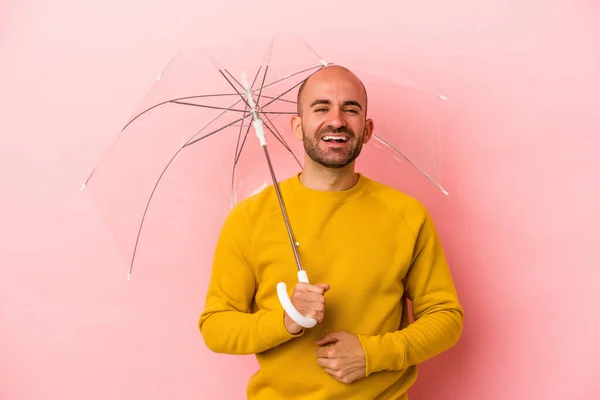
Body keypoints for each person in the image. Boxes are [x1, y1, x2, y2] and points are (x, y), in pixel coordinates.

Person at [198, 65, 464, 399]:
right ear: (298, 126)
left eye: (350, 109)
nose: (336, 120)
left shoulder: (407, 216)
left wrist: (373, 355)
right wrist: (286, 319)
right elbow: (216, 327)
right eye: (321, 107)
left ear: (366, 130)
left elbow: (445, 317)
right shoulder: (249, 218)